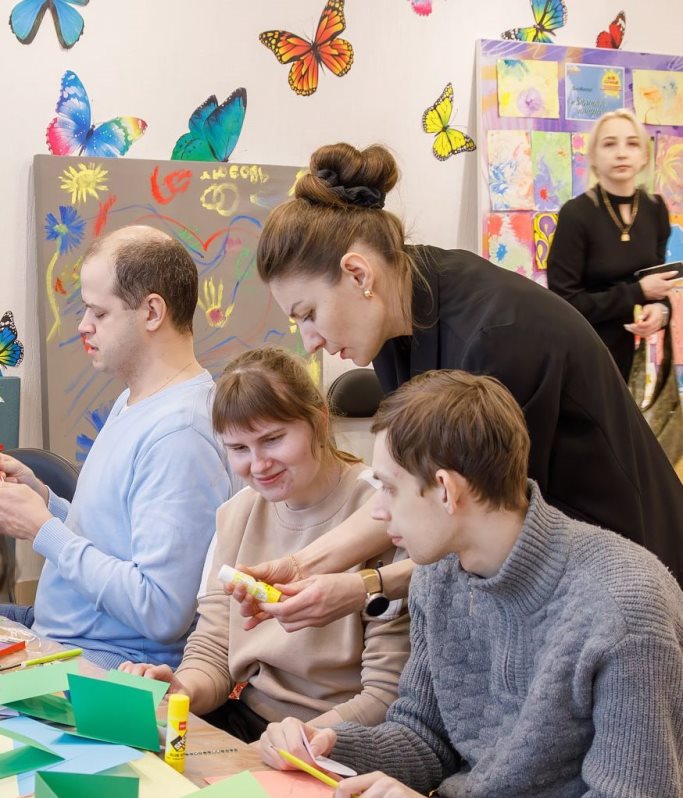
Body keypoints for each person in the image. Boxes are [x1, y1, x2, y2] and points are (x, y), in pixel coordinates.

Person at [261, 370, 683, 798]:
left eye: (388, 488)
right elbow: (426, 738)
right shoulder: (440, 573)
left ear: (446, 489)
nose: (378, 512)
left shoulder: (625, 607)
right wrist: (329, 746)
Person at [226, 139, 683, 633]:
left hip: (619, 569)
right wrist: (304, 564)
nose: (310, 341)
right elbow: (413, 488)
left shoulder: (494, 338)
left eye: (309, 314)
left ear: (358, 274)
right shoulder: (394, 314)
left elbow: (478, 523)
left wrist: (365, 586)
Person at [120, 347, 409, 741]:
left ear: (319, 422)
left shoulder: (387, 511)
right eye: (238, 449)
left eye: (272, 439)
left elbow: (385, 696)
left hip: (339, 738)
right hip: (249, 724)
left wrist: (289, 741)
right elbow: (213, 649)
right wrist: (181, 692)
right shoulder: (236, 514)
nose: (257, 466)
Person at [0, 226, 231, 669]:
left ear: (152, 312)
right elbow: (114, 540)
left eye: (99, 312)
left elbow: (160, 610)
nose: (83, 326)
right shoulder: (136, 400)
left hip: (109, 658)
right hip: (60, 631)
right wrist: (45, 503)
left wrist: (43, 530)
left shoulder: (180, 435)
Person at [547, 109, 675, 382]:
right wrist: (637, 292)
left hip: (629, 355)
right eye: (609, 144)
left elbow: (657, 286)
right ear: (593, 157)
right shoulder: (577, 214)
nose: (621, 153)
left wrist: (660, 311)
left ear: (644, 155)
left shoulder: (655, 209)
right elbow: (564, 303)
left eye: (632, 143)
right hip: (581, 352)